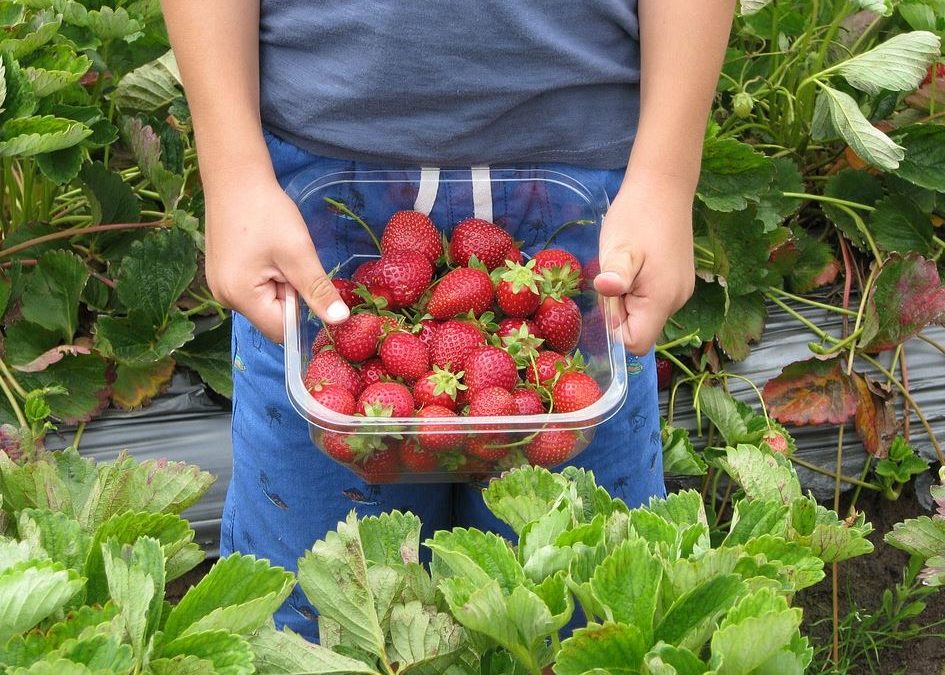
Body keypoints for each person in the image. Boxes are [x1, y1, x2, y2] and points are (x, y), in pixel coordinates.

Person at [161, 0, 736, 639]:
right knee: (317, 613)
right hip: (315, 194)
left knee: (588, 612)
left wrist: (665, 173)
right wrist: (232, 167)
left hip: (588, 192)